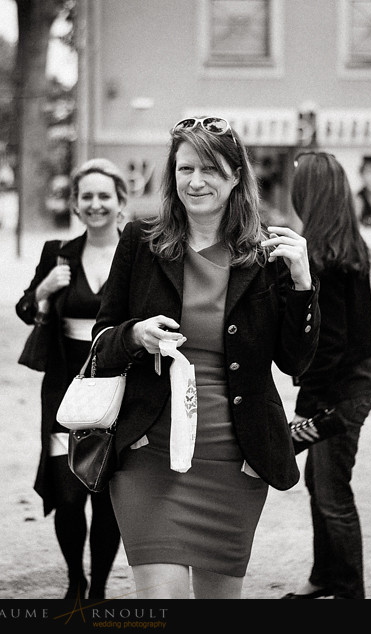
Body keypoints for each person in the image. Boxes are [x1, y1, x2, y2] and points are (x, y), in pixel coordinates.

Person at [91, 116, 321, 599]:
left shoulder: (266, 254)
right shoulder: (140, 240)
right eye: (185, 168)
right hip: (148, 454)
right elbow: (102, 341)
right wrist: (135, 334)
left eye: (210, 169)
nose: (195, 182)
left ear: (236, 175)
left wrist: (302, 282)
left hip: (231, 460)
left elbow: (295, 362)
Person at [16, 158, 128, 601]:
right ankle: (74, 580)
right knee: (67, 491)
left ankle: (98, 586)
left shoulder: (139, 252)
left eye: (105, 196)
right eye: (87, 197)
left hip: (120, 386)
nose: (95, 204)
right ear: (76, 205)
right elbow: (26, 309)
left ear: (121, 204)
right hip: (67, 388)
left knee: (106, 494)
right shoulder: (58, 253)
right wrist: (44, 289)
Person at [281, 152, 371, 600]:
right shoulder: (339, 243)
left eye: (298, 184)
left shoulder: (322, 255)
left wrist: (308, 408)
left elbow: (332, 343)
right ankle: (324, 577)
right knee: (320, 483)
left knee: (333, 491)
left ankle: (349, 592)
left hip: (346, 384)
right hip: (355, 376)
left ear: (311, 194)